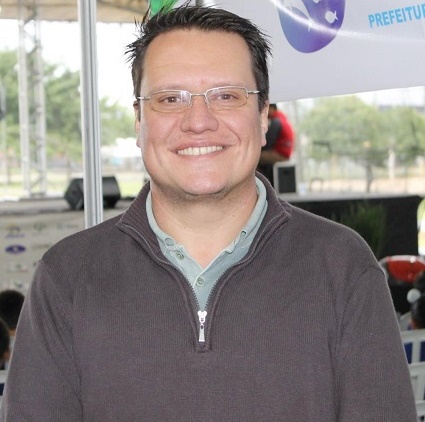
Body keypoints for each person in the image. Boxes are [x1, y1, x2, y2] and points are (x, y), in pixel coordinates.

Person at [0, 4, 416, 421]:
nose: (198, 121)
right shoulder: (67, 277)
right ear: (139, 120)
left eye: (226, 96)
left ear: (263, 115)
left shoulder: (342, 267)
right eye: (170, 99)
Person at [257, 103, 295, 185]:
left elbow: (268, 141)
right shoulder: (282, 118)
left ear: (272, 108)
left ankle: (263, 185)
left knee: (255, 158)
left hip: (281, 153)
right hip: (284, 152)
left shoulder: (276, 121)